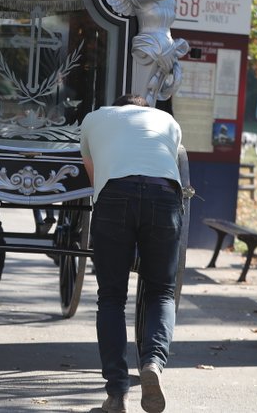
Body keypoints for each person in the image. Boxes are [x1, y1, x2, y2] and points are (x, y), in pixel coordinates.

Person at [80, 94, 183, 413]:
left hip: (115, 195)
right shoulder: (167, 121)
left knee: (110, 297)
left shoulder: (94, 118)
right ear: (145, 109)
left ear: (117, 106)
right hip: (164, 195)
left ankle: (116, 394)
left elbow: (94, 176)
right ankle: (152, 363)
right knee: (162, 293)